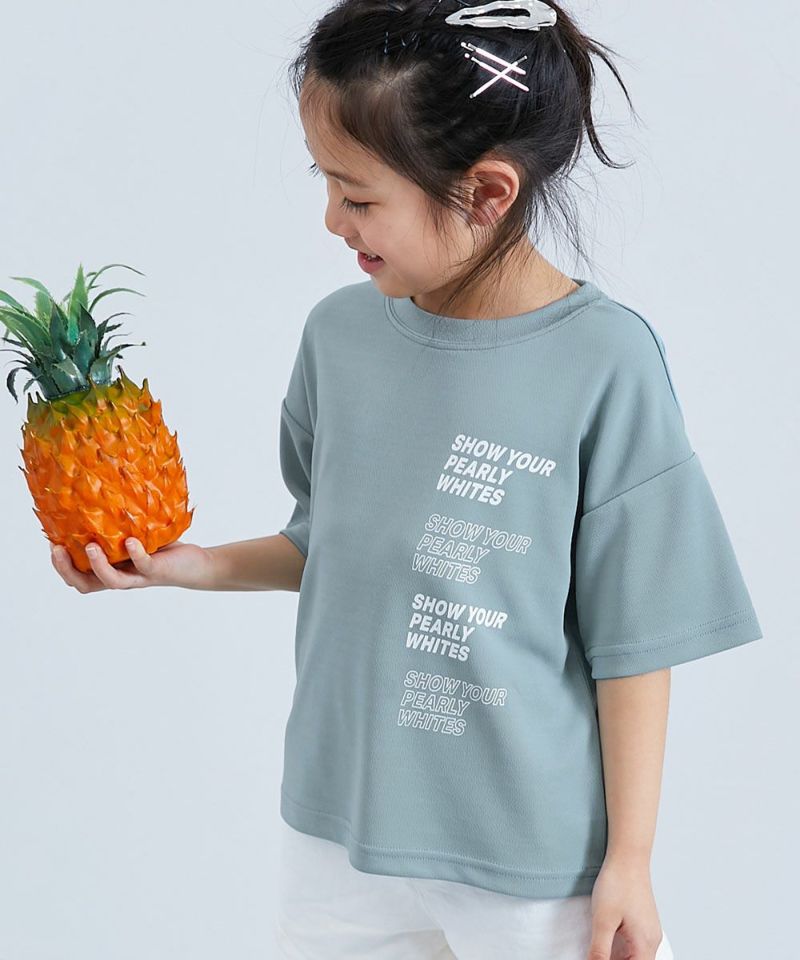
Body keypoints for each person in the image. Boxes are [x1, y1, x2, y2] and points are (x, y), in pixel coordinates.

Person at [50, 1, 763, 957]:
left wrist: (629, 859)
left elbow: (636, 638)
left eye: (357, 195)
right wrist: (192, 566)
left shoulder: (606, 363)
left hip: (529, 860)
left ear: (487, 192)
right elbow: (332, 542)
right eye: (323, 181)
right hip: (337, 832)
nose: (331, 220)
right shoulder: (339, 336)